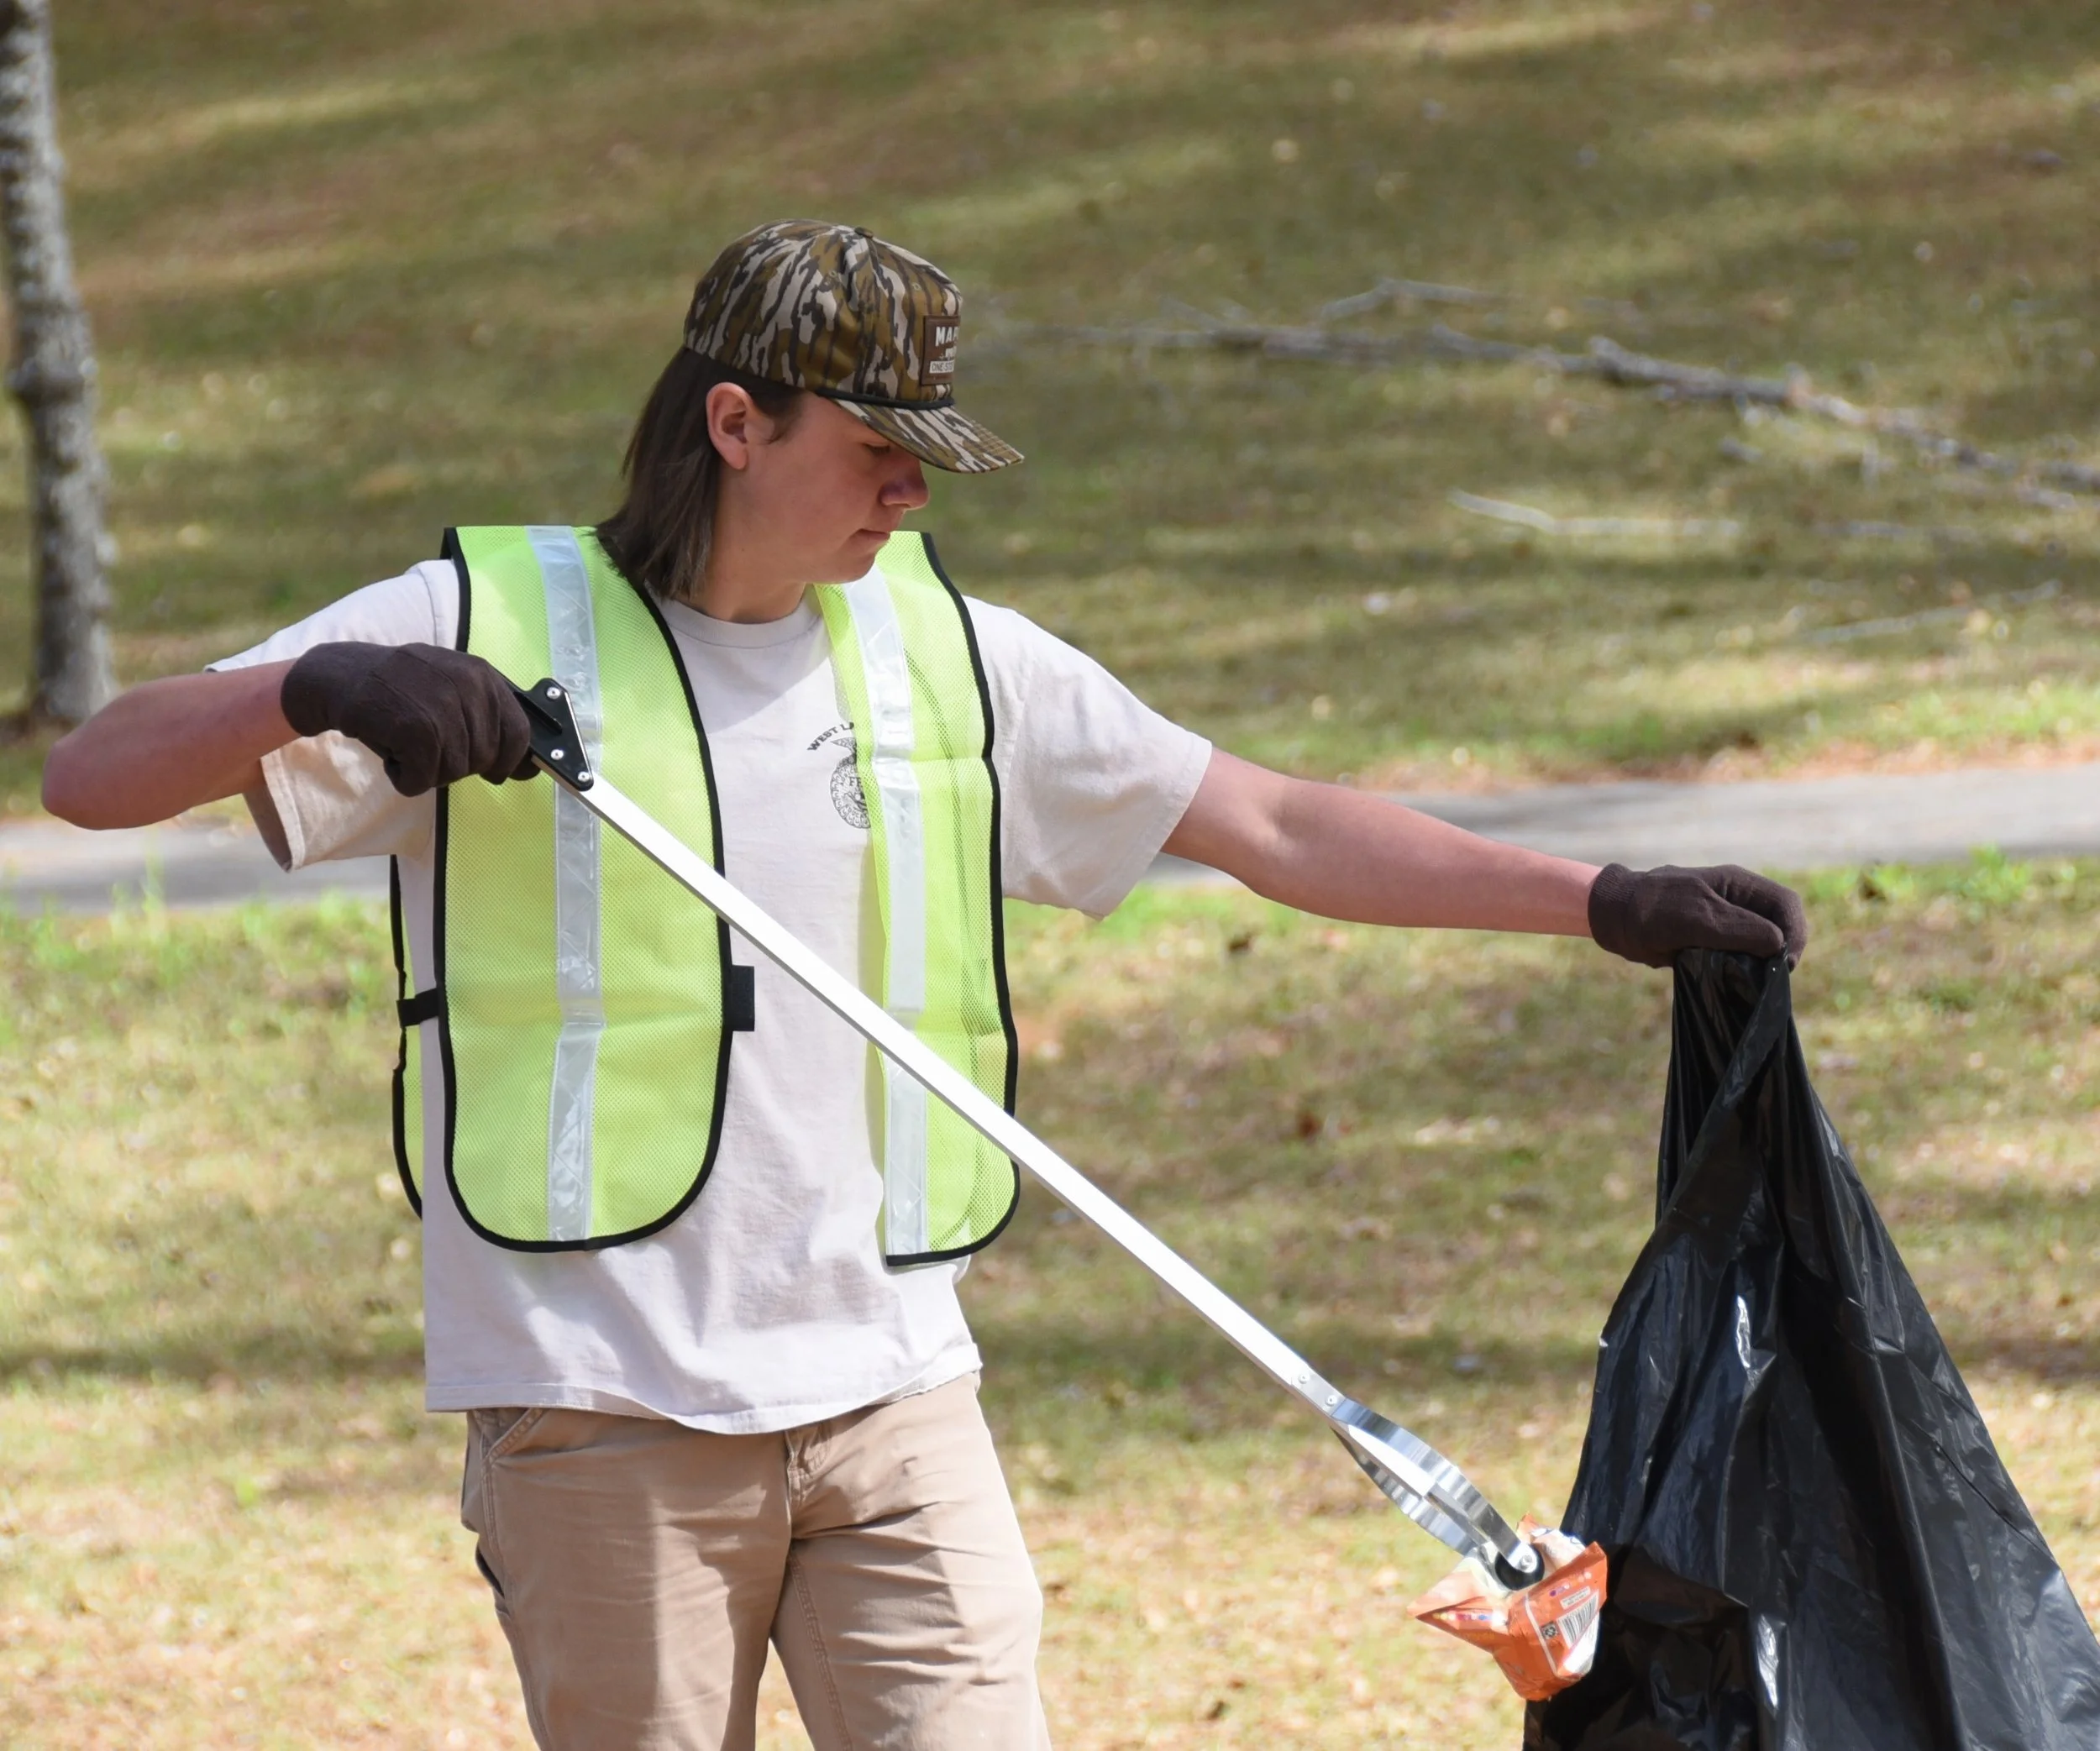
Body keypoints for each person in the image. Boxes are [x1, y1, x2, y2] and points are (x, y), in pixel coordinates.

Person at [42, 219, 1806, 1751]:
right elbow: (92, 773)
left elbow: (1267, 821)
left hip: (893, 1400)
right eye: (878, 448)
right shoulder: (491, 619)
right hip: (604, 1413)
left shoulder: (956, 657)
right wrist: (315, 687)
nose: (913, 489)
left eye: (929, 457)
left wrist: (1599, 898)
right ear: (735, 423)